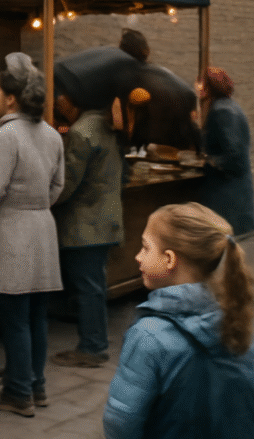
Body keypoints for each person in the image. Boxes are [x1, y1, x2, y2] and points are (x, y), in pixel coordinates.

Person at [103, 203, 254, 438]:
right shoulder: (240, 316)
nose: (138, 256)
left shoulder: (149, 334)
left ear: (169, 259)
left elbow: (121, 421)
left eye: (145, 247)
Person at [0, 52, 64, 417]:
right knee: (36, 315)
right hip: (43, 229)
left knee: (13, 315)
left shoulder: (3, 135)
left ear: (10, 98)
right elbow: (57, 186)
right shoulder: (52, 135)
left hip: (13, 231)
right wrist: (36, 202)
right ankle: (36, 386)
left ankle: (18, 392)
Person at [50, 107, 124, 368]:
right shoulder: (102, 124)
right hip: (104, 219)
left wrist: (44, 198)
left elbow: (67, 183)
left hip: (86, 223)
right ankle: (94, 342)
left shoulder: (83, 131)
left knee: (88, 286)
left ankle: (92, 347)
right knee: (94, 284)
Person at [196, 67, 254, 237]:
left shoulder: (222, 111)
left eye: (200, 83)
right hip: (235, 195)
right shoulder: (229, 107)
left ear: (209, 87)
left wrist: (209, 161)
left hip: (229, 197)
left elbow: (234, 159)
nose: (196, 87)